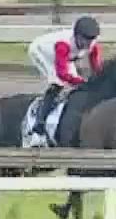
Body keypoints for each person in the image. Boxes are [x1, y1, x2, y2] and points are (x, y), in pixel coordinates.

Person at [25, 14, 102, 144]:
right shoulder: (63, 45)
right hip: (42, 52)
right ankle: (38, 127)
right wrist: (82, 82)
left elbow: (96, 67)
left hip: (66, 57)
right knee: (57, 84)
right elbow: (62, 74)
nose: (88, 44)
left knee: (76, 83)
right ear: (77, 36)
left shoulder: (93, 45)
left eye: (91, 40)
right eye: (85, 39)